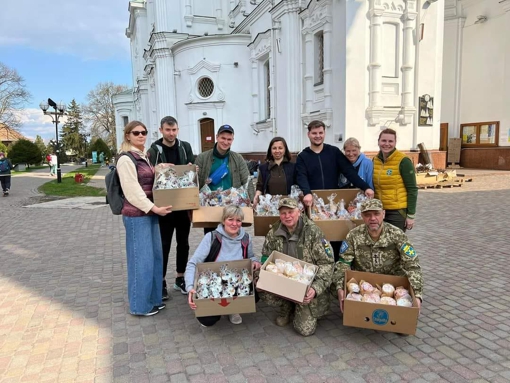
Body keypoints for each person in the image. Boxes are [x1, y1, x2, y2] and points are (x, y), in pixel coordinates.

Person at [116, 121, 173, 316]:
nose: (141, 135)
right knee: (141, 261)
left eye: (144, 132)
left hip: (150, 213)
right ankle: (140, 306)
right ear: (128, 136)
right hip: (137, 216)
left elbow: (149, 176)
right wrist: (154, 208)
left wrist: (162, 168)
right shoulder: (125, 159)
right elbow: (132, 191)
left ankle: (154, 299)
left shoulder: (144, 156)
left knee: (156, 258)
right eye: (136, 133)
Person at [296, 120, 375, 259]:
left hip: (333, 204)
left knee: (336, 237)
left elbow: (349, 171)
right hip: (314, 204)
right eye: (314, 133)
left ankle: (337, 268)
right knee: (317, 238)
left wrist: (366, 187)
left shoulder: (333, 152)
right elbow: (301, 176)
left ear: (324, 134)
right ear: (308, 134)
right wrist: (307, 193)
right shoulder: (303, 156)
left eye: (321, 132)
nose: (318, 136)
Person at [257, 198, 334, 336]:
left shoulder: (313, 232)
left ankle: (300, 306)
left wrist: (315, 289)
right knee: (259, 281)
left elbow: (327, 263)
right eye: (283, 213)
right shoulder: (273, 233)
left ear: (299, 211)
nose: (287, 216)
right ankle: (286, 305)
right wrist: (265, 275)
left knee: (305, 330)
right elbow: (266, 256)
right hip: (283, 280)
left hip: (306, 285)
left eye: (291, 212)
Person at [332, 199, 423, 313]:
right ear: (362, 216)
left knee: (402, 322)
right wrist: (341, 289)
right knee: (334, 286)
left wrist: (417, 295)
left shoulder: (397, 235)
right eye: (367, 215)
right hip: (364, 284)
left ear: (383, 214)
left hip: (393, 285)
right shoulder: (353, 236)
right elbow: (343, 263)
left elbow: (412, 265)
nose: (373, 218)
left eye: (376, 214)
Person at [185, 205, 261, 326]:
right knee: (208, 321)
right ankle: (220, 308)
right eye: (230, 219)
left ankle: (232, 310)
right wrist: (190, 287)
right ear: (223, 220)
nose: (234, 224)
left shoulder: (246, 238)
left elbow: (250, 256)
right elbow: (193, 263)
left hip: (236, 280)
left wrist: (255, 261)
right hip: (214, 280)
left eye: (238, 220)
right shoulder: (211, 237)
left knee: (255, 296)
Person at [147, 116, 196, 299]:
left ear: (178, 129)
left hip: (183, 205)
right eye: (167, 130)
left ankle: (180, 278)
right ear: (161, 130)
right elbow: (147, 173)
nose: (171, 133)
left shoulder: (185, 147)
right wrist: (157, 168)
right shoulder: (154, 150)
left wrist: (193, 168)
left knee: (183, 243)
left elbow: (192, 171)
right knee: (164, 245)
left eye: (174, 130)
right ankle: (160, 281)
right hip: (164, 207)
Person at [194, 124, 252, 233]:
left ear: (233, 140)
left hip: (232, 208)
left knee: (232, 240)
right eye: (223, 138)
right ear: (217, 137)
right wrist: (192, 172)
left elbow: (246, 180)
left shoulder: (237, 158)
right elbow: (195, 182)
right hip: (210, 206)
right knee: (213, 240)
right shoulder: (202, 157)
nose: (226, 142)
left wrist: (252, 202)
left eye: (229, 139)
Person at [372, 129, 418, 232]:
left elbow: (412, 189)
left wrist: (411, 215)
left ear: (395, 143)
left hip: (396, 212)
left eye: (390, 141)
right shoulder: (375, 160)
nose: (387, 144)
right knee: (380, 244)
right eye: (383, 140)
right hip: (379, 210)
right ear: (378, 141)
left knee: (395, 244)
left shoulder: (403, 161)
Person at [253, 137, 295, 207]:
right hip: (269, 206)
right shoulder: (263, 168)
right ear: (270, 150)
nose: (277, 151)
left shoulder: (293, 167)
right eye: (274, 148)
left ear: (285, 150)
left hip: (288, 205)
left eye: (280, 148)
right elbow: (260, 186)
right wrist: (256, 197)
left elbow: (296, 188)